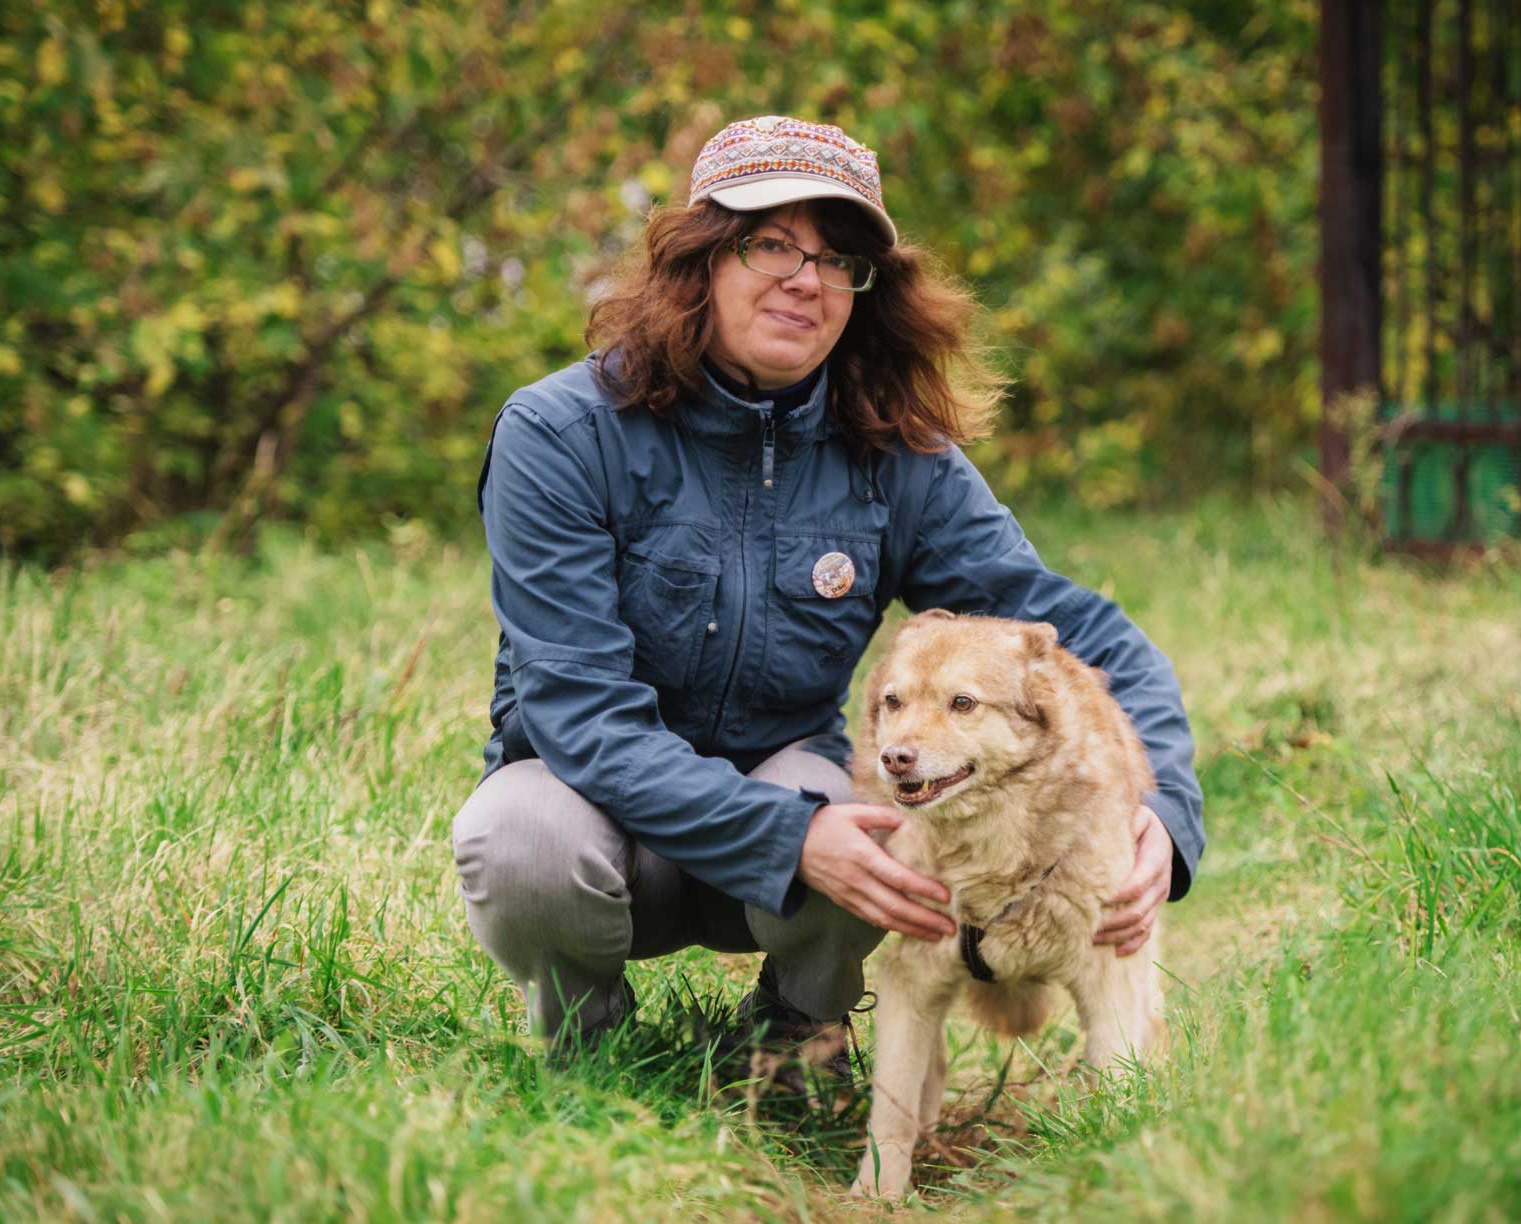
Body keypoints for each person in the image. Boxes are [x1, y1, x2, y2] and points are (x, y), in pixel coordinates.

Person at [450, 115, 1203, 1063]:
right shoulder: (560, 434)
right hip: (599, 831)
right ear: (701, 260)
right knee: (517, 835)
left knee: (885, 817)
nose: (807, 279)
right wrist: (787, 838)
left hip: (794, 821)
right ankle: (591, 1051)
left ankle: (797, 1037)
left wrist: (1163, 815)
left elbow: (1073, 636)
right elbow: (580, 714)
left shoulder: (894, 453)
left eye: (840, 258)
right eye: (772, 244)